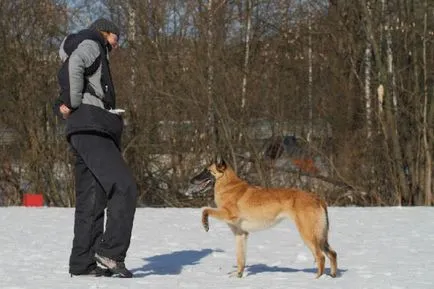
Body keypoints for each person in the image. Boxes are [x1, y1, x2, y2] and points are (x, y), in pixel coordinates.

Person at [55, 18, 137, 278]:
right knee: (124, 186)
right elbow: (75, 65)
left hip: (82, 129)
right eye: (116, 38)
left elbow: (71, 71)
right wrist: (72, 100)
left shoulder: (85, 44)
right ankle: (111, 252)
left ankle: (83, 263)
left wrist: (68, 104)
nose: (117, 44)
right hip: (92, 127)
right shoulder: (92, 41)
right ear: (106, 32)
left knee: (92, 199)